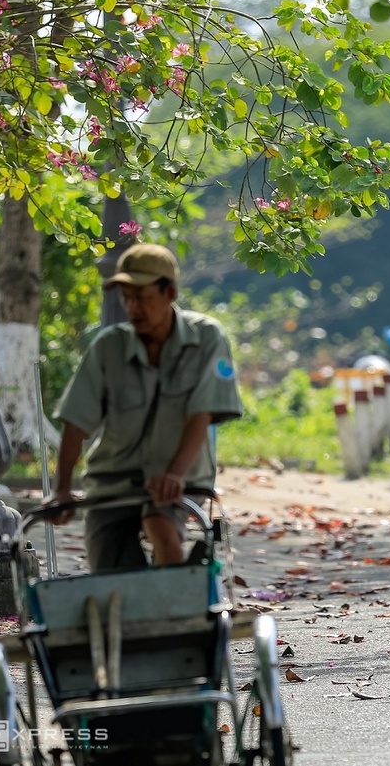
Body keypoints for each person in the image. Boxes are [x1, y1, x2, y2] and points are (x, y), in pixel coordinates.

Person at [45, 243, 244, 572]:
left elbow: (202, 413)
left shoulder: (206, 337)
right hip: (112, 484)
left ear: (170, 292)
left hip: (180, 480)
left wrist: (174, 475)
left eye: (142, 296)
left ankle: (175, 616)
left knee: (161, 526)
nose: (132, 307)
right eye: (126, 297)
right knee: (111, 572)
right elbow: (76, 421)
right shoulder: (109, 347)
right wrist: (62, 489)